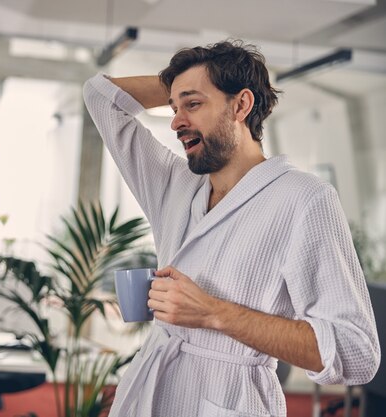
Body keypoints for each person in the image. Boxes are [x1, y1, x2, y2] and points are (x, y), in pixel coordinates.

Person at [83, 40, 380, 417]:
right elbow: (100, 96)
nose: (175, 121)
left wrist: (212, 313)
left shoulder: (304, 198)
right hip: (152, 387)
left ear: (241, 105)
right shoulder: (175, 185)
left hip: (229, 397)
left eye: (192, 105)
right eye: (174, 107)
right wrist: (181, 85)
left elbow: (356, 352)